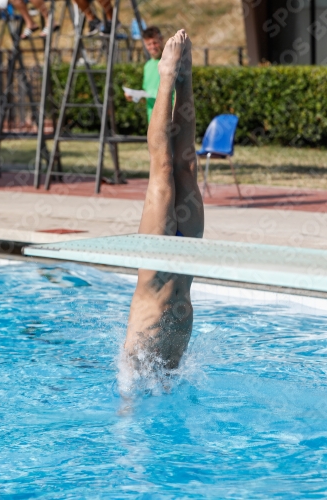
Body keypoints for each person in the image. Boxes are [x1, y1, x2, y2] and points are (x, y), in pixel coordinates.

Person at [124, 29, 204, 372]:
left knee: (162, 167)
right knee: (186, 166)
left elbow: (124, 414)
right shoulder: (163, 378)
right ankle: (185, 77)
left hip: (157, 266)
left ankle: (167, 77)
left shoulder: (130, 369)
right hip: (184, 259)